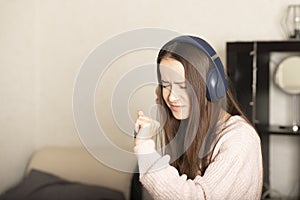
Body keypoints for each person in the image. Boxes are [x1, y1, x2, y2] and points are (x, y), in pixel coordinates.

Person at [133, 35, 263, 200]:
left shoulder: (240, 138)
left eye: (183, 86)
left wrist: (145, 150)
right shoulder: (188, 129)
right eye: (166, 85)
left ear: (212, 86)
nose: (172, 97)